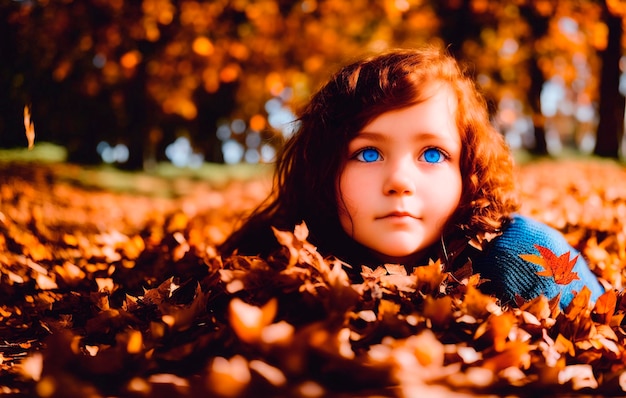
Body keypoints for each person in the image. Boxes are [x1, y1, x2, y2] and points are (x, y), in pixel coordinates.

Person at [219, 46, 604, 309]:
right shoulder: (282, 263)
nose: (399, 181)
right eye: (368, 153)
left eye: (433, 154)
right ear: (323, 171)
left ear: (467, 173)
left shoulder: (523, 257)